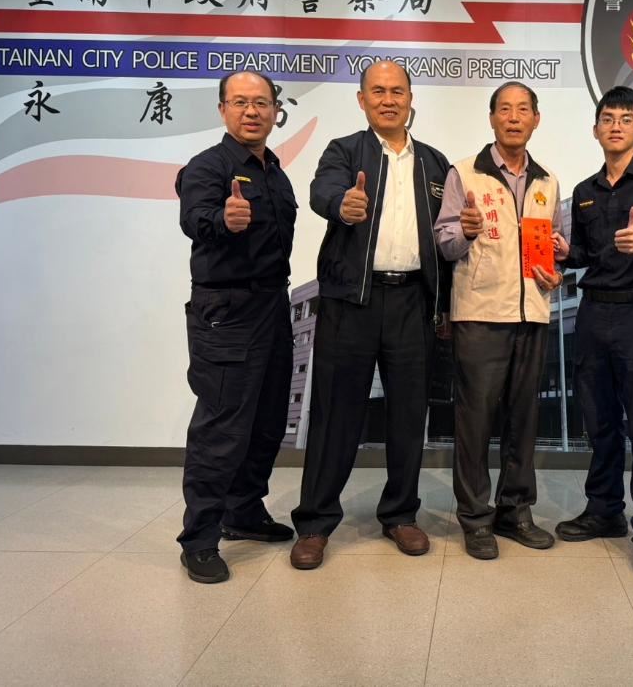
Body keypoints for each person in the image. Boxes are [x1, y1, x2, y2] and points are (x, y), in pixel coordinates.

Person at [290, 61, 451, 570]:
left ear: (410, 99)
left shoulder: (434, 162)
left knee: (408, 414)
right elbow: (321, 191)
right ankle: (314, 523)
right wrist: (343, 204)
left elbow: (447, 231)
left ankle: (400, 514)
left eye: (397, 91)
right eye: (377, 91)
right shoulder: (344, 151)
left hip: (412, 302)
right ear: (362, 100)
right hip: (351, 301)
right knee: (336, 415)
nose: (388, 99)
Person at [552, 86, 633, 575]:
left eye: (626, 119)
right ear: (595, 129)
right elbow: (587, 255)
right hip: (593, 316)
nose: (615, 126)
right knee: (600, 424)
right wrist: (567, 254)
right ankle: (604, 510)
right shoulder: (585, 191)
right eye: (607, 118)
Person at [176, 71, 297, 584]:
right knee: (222, 427)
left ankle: (243, 511)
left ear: (275, 111)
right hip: (225, 310)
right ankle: (199, 540)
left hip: (272, 305)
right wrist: (222, 221)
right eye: (241, 102)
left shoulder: (274, 171)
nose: (252, 111)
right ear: (223, 109)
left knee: (268, 420)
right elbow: (194, 218)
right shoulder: (208, 167)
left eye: (262, 103)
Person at [434, 81, 563, 560]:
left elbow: (554, 245)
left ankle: (515, 511)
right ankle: (475, 517)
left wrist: (557, 268)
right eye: (504, 109)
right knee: (475, 420)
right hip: (480, 313)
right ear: (491, 118)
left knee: (523, 419)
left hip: (532, 314)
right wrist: (464, 232)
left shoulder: (548, 181)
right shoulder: (465, 172)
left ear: (536, 119)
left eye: (522, 109)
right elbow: (444, 241)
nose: (513, 117)